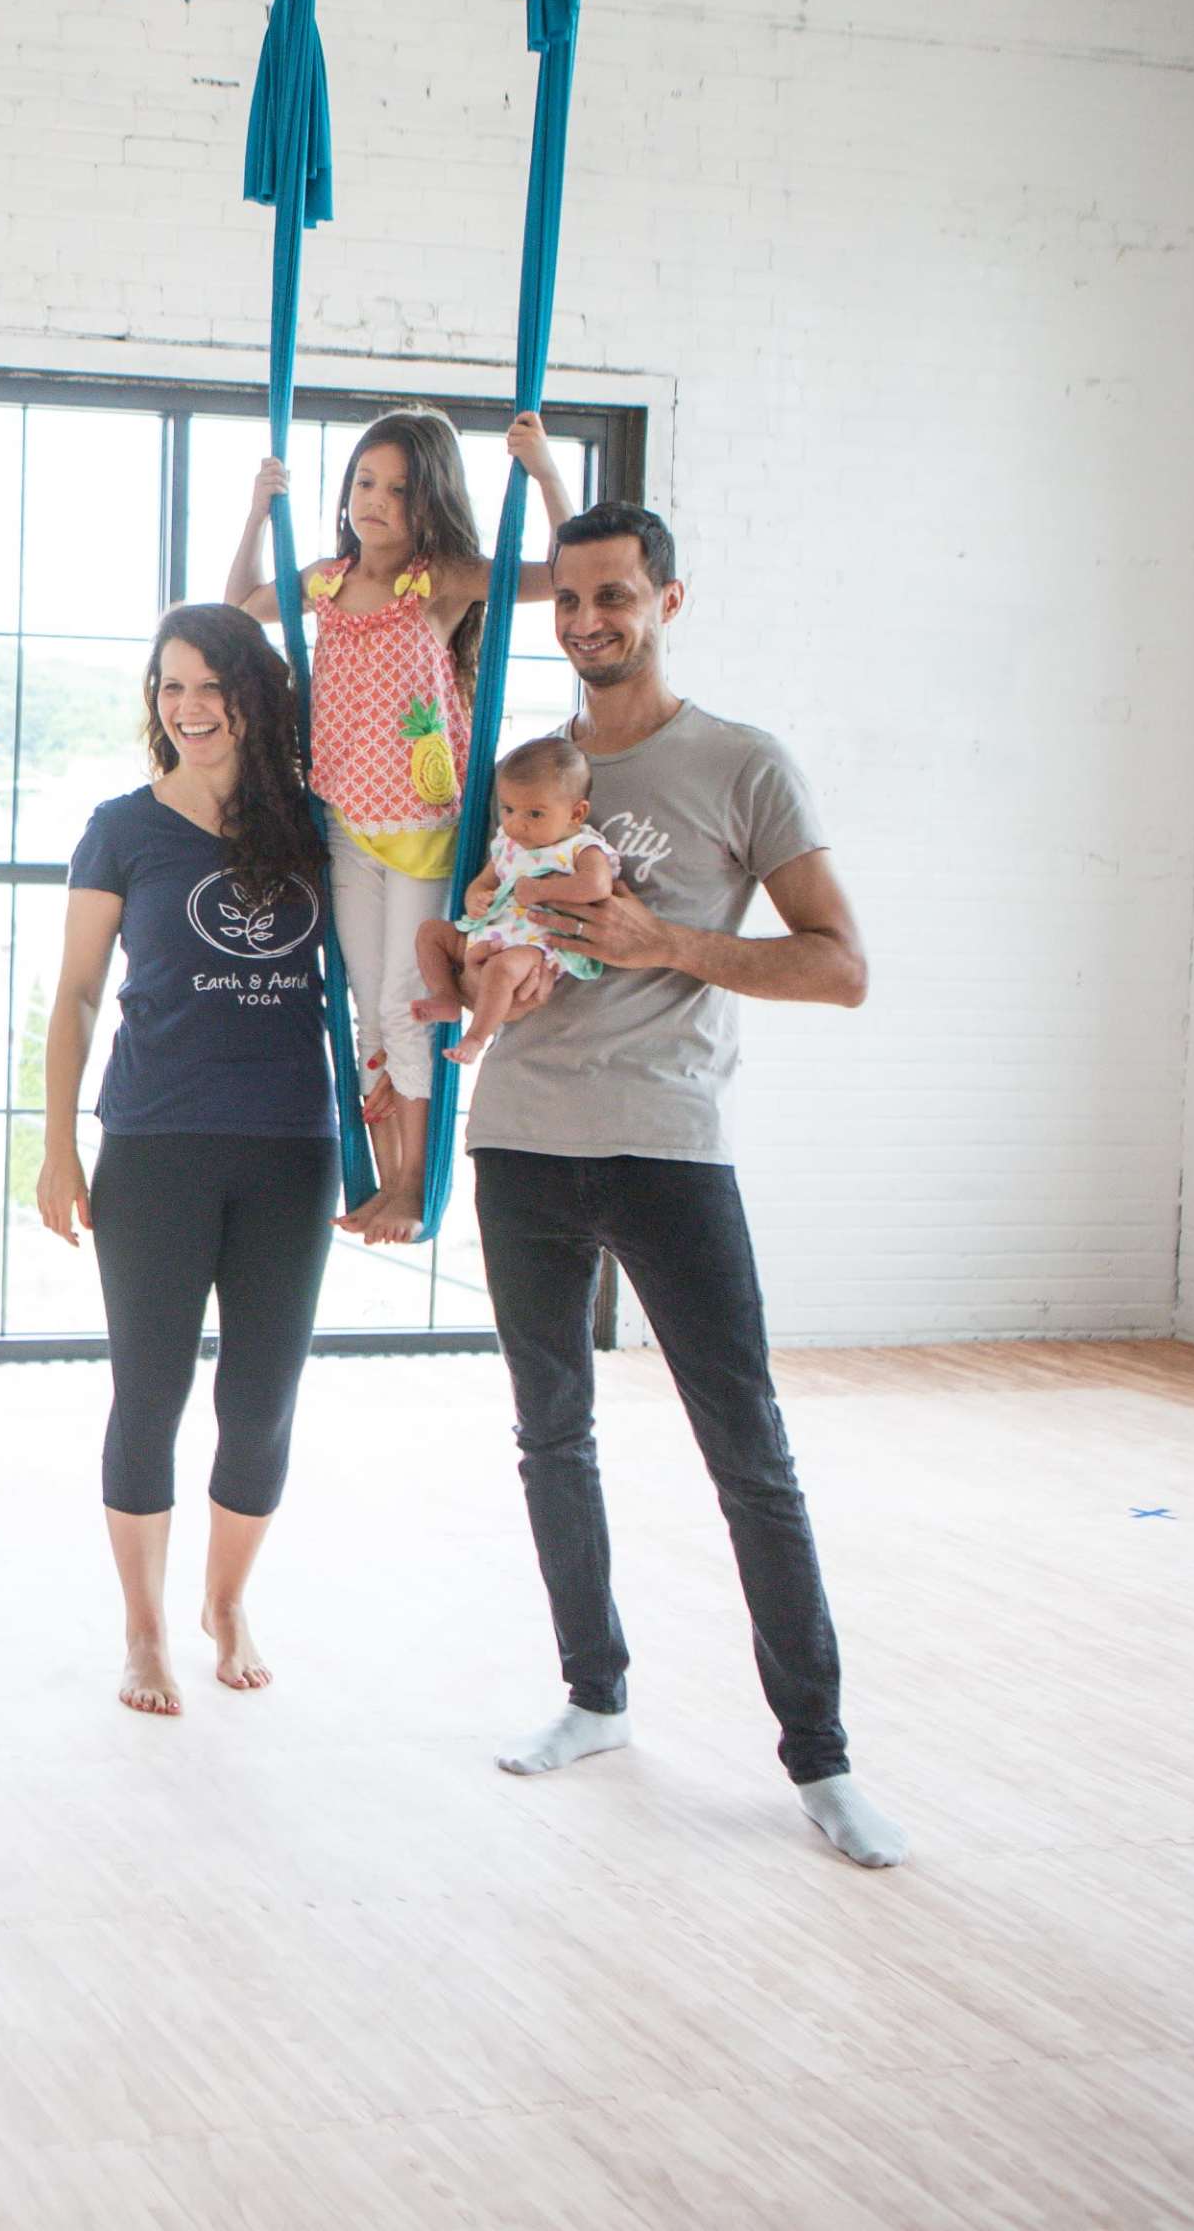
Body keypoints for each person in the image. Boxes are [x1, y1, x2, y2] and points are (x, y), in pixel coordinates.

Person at [460, 505, 910, 1869]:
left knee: (750, 1454)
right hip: (521, 1136)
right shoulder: (528, 772)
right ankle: (594, 1694)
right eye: (571, 598)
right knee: (552, 1436)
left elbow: (841, 965)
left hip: (669, 1144)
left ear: (668, 598)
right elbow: (477, 934)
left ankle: (821, 1760)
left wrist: (673, 940)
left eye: (615, 594)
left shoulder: (741, 763)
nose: (589, 617)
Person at [34, 605, 337, 1716]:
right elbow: (73, 994)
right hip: (154, 1144)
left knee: (260, 1402)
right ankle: (146, 1632)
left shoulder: (317, 824)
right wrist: (59, 1146)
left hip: (291, 1148)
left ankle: (227, 1602)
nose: (189, 707)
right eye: (169, 686)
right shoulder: (121, 827)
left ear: (254, 696)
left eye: (211, 685)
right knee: (149, 1393)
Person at [223, 408, 574, 1239]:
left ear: (431, 501)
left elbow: (565, 574)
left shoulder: (440, 579)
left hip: (424, 830)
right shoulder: (324, 581)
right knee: (366, 1006)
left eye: (399, 489)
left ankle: (418, 1182)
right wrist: (254, 509)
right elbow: (238, 606)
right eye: (365, 482)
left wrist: (547, 472)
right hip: (347, 822)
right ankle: (385, 1178)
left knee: (405, 997)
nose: (375, 500)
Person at [412, 730, 616, 1063]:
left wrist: (543, 890)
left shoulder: (581, 847)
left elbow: (597, 886)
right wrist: (475, 898)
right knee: (431, 933)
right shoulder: (509, 845)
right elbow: (483, 882)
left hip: (534, 944)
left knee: (502, 970)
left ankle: (476, 1037)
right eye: (508, 809)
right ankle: (446, 996)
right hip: (489, 931)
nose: (516, 824)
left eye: (534, 814)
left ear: (576, 814)